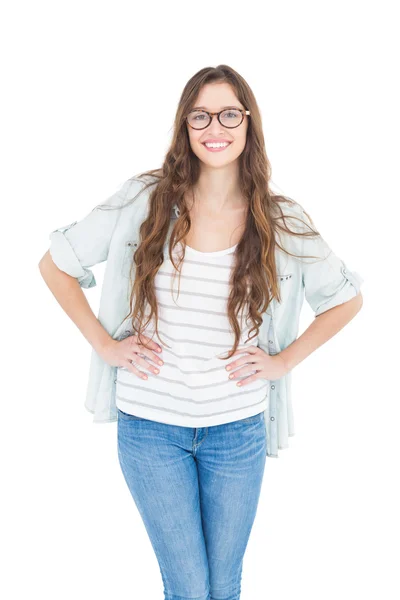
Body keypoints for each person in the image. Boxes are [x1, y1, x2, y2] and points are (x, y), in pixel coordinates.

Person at [38, 64, 364, 600]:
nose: (216, 126)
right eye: (201, 115)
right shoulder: (143, 199)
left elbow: (346, 298)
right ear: (186, 127)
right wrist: (105, 345)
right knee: (189, 587)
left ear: (249, 123)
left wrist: (282, 363)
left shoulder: (280, 219)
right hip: (151, 428)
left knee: (224, 584)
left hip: (235, 430)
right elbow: (56, 265)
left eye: (229, 113)